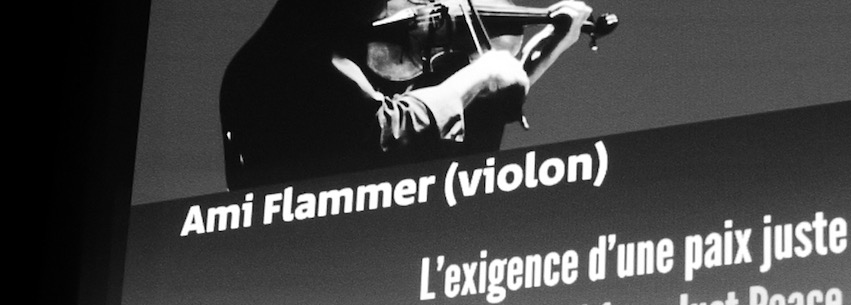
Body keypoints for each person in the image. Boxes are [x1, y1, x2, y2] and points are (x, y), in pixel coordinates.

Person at [220, 0, 597, 189]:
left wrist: (540, 55)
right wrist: (481, 74)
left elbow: (447, 161)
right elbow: (386, 137)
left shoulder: (329, 46)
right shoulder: (288, 57)